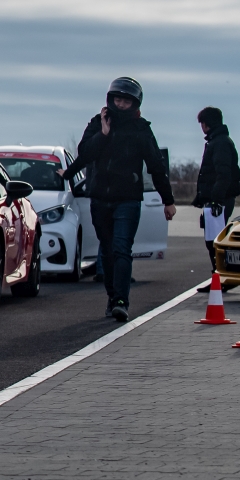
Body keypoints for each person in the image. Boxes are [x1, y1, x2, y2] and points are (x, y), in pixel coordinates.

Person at [60, 78, 177, 322]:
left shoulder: (141, 129)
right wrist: (103, 134)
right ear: (110, 99)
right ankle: (112, 297)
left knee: (122, 249)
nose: (121, 104)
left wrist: (168, 200)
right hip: (100, 197)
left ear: (135, 103)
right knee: (107, 250)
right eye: (118, 99)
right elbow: (85, 154)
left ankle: (122, 301)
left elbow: (156, 165)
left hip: (128, 198)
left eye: (126, 101)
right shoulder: (98, 122)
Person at [193, 107, 240, 270]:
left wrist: (216, 200)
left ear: (207, 124)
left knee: (215, 241)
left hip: (220, 200)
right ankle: (219, 272)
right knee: (213, 240)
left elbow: (223, 174)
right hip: (217, 198)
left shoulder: (220, 143)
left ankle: (221, 272)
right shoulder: (218, 141)